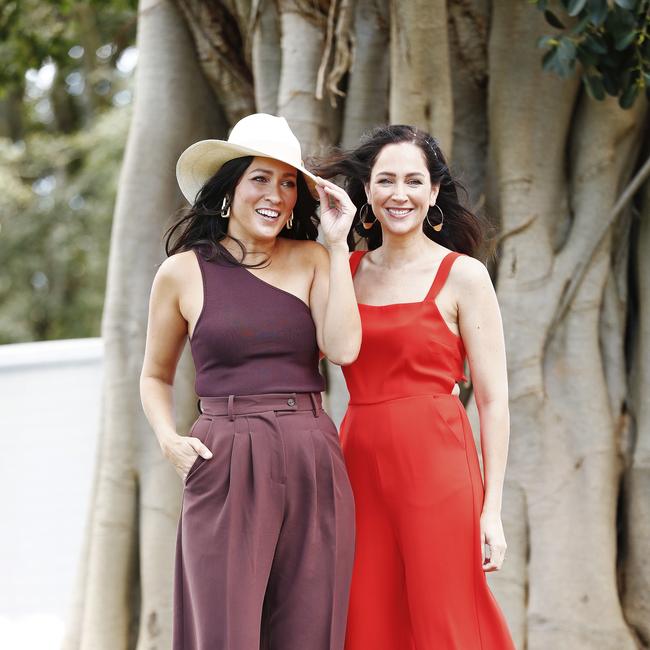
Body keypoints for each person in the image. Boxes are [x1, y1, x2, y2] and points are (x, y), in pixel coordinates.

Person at [139, 113, 360, 650]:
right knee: (224, 630)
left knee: (310, 626)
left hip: (311, 448)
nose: (276, 195)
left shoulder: (313, 258)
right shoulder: (182, 272)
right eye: (260, 178)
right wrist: (170, 440)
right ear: (228, 188)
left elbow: (344, 348)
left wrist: (336, 243)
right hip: (225, 451)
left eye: (288, 183)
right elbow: (154, 375)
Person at [315, 124, 515, 649]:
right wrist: (334, 250)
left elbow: (493, 401)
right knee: (368, 615)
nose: (398, 194)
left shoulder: (464, 275)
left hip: (438, 463)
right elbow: (318, 351)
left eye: (412, 181)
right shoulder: (345, 269)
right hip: (357, 460)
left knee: (446, 614)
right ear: (366, 192)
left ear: (432, 193)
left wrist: (491, 509)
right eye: (384, 180)